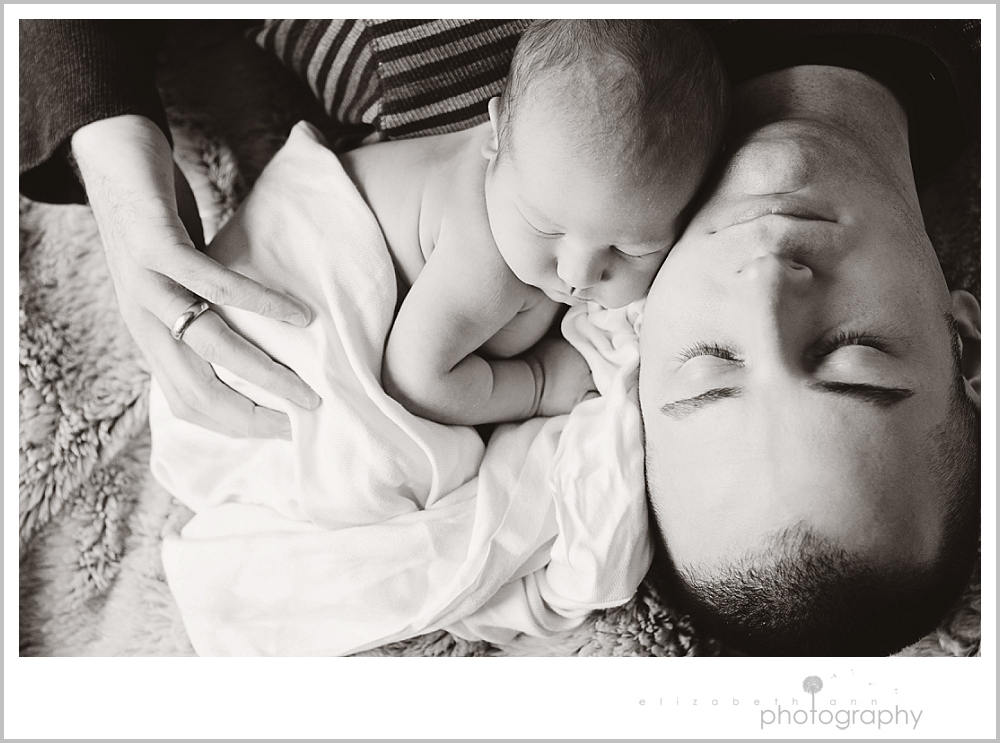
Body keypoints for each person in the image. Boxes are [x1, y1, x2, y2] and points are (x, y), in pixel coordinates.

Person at [21, 19, 981, 655]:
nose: (769, 282)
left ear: (628, 353)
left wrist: (116, 159)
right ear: (968, 343)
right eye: (855, 359)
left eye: (708, 371)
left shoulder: (471, 119)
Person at [357, 20, 728, 425]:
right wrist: (538, 383)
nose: (577, 276)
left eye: (630, 249)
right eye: (545, 227)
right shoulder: (482, 259)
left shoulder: (533, 175)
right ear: (497, 138)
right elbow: (414, 383)